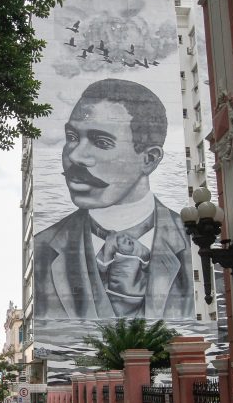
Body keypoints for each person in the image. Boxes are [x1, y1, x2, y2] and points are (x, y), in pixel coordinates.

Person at [34, 78, 194, 321]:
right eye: (72, 136)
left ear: (149, 159)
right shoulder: (42, 248)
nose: (75, 156)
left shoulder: (194, 243)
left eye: (101, 142)